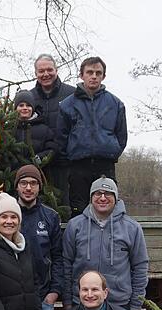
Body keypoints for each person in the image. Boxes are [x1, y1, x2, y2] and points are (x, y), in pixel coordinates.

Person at [62, 177, 149, 310]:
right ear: (91, 197)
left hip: (119, 304)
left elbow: (140, 267)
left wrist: (136, 305)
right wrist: (67, 301)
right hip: (82, 302)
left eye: (108, 193)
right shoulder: (75, 226)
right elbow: (66, 265)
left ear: (116, 198)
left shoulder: (132, 228)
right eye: (98, 193)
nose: (102, 198)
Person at [57, 56, 127, 217]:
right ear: (82, 75)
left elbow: (121, 136)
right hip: (78, 166)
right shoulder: (67, 105)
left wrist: (112, 152)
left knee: (108, 209)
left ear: (103, 76)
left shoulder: (116, 104)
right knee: (79, 210)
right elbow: (61, 137)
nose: (94, 76)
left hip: (105, 164)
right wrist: (69, 159)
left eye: (98, 73)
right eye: (90, 72)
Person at [14, 165, 64, 310]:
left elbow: (58, 257)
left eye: (33, 183)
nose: (28, 188)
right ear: (17, 186)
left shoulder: (50, 217)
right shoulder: (8, 215)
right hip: (14, 297)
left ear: (39, 187)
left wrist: (55, 292)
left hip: (43, 295)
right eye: (24, 183)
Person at [30, 54, 74, 207]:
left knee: (66, 205)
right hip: (38, 163)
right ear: (35, 74)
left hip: (66, 162)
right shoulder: (29, 98)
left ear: (56, 70)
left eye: (49, 70)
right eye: (41, 71)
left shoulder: (72, 94)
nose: (46, 74)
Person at [12, 90, 58, 171]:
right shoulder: (10, 129)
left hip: (38, 172)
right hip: (12, 173)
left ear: (33, 108)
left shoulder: (44, 129)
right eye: (21, 105)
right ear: (16, 108)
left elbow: (51, 149)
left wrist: (36, 160)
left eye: (28, 105)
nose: (25, 108)